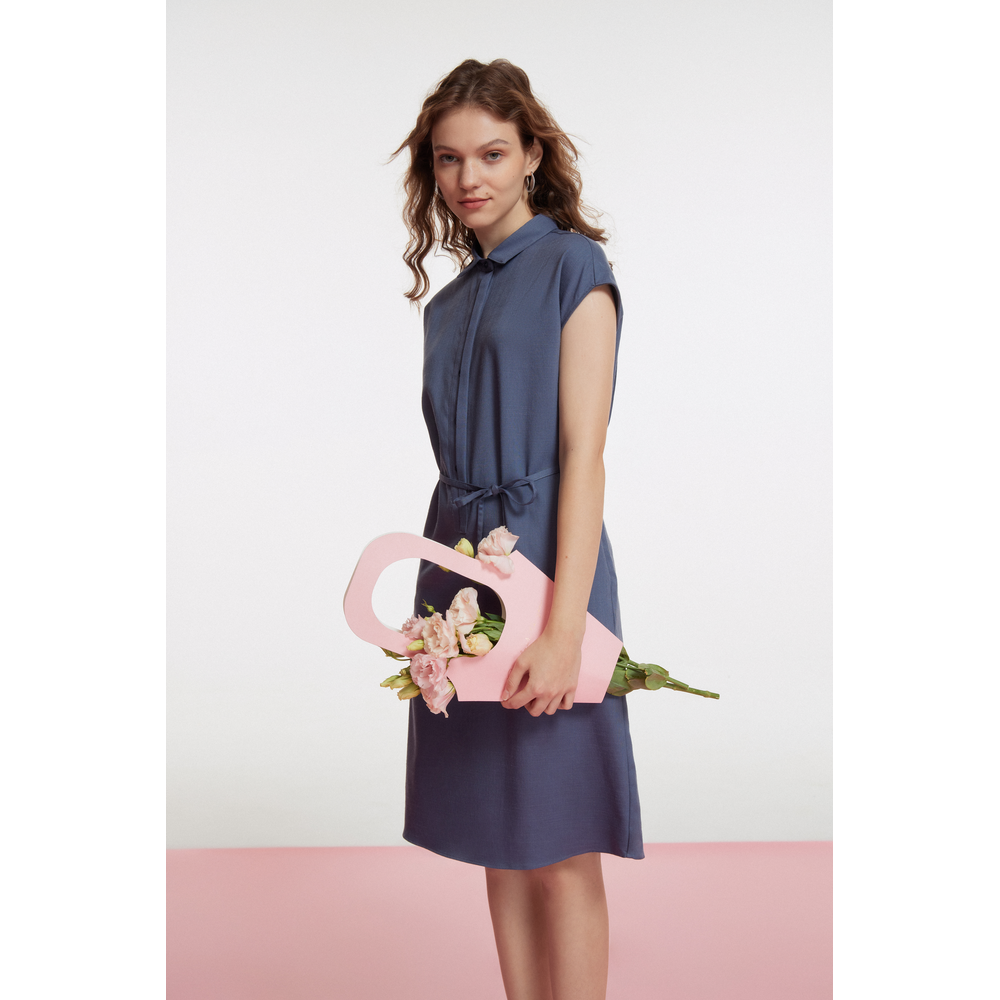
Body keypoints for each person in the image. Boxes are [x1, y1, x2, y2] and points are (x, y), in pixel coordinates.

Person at [391, 59, 643, 1000]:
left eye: (493, 153)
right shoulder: (449, 303)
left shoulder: (575, 267)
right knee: (500, 835)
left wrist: (565, 628)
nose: (470, 177)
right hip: (458, 574)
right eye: (449, 158)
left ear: (533, 154)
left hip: (546, 571)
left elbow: (585, 455)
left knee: (561, 837)